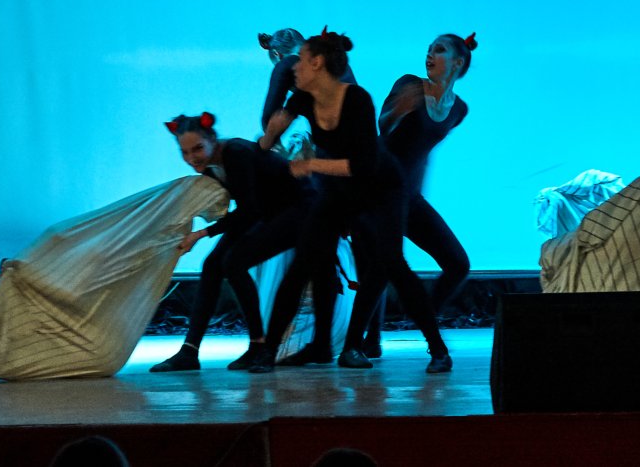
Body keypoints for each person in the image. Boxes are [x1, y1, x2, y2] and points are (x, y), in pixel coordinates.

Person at [250, 29, 452, 374]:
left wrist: (310, 165)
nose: (294, 67)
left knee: (392, 264)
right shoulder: (303, 98)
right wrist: (272, 130)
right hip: (339, 190)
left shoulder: (357, 99)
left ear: (318, 63)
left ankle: (438, 349)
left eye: (301, 61)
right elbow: (268, 140)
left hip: (381, 189)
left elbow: (360, 165)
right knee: (304, 262)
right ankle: (268, 353)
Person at [150, 113, 311, 372]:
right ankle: (189, 351)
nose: (192, 158)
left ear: (213, 140)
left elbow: (250, 210)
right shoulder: (211, 167)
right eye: (185, 152)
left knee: (234, 263)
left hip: (297, 210)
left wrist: (202, 233)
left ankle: (258, 345)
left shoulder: (236, 153)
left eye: (198, 148)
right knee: (212, 265)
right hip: (266, 212)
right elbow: (249, 210)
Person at [362, 32, 476, 358]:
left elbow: (421, 148)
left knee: (458, 264)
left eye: (438, 50)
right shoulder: (409, 84)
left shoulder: (459, 109)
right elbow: (383, 129)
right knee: (383, 265)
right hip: (380, 193)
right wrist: (398, 111)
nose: (429, 55)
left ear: (457, 62)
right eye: (428, 49)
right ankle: (370, 339)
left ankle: (422, 314)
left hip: (410, 197)